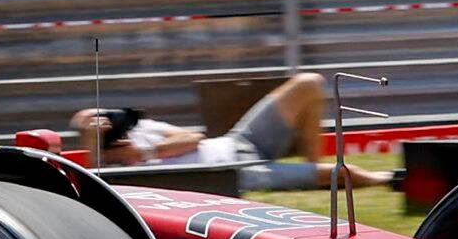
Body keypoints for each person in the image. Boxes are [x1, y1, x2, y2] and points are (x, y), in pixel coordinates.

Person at [67, 72, 332, 177]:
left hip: (237, 141)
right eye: (92, 123)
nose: (102, 120)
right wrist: (95, 143)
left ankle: (313, 163)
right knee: (340, 174)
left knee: (309, 83)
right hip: (233, 172)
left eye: (103, 115)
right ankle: (322, 174)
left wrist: (144, 152)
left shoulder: (142, 128)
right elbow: (93, 181)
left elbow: (195, 137)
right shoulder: (112, 168)